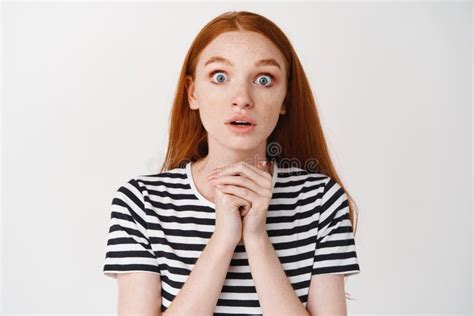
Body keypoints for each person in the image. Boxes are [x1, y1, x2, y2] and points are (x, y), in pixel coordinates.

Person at [103, 10, 361, 315]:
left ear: (285, 99)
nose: (242, 98)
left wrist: (256, 238)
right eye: (220, 77)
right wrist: (224, 237)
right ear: (193, 92)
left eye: (264, 79)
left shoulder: (321, 201)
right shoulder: (140, 203)